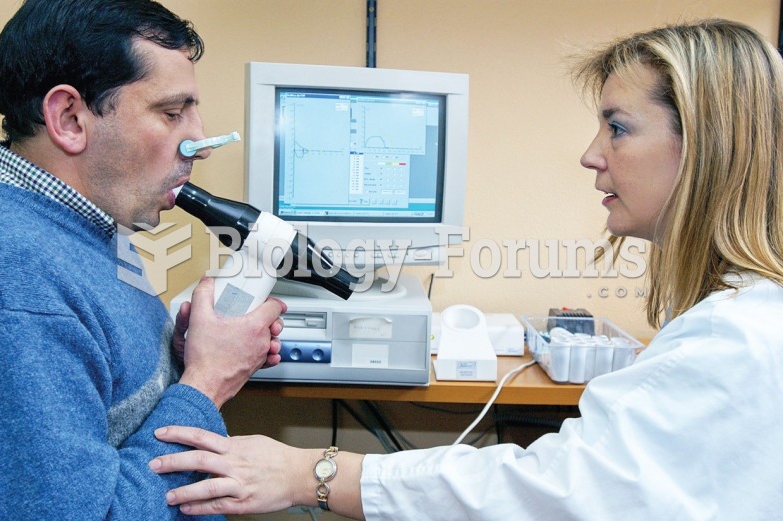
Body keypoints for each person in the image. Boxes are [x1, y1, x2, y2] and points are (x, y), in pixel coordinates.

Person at [149, 18, 783, 519]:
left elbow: (552, 492)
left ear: (705, 144)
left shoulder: (735, 341)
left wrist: (309, 474)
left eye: (617, 128)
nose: (591, 155)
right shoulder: (738, 318)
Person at [0, 0, 284, 519]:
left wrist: (180, 355)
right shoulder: (14, 293)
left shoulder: (88, 222)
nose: (199, 141)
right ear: (70, 118)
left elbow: (110, 402)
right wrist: (208, 381)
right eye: (172, 113)